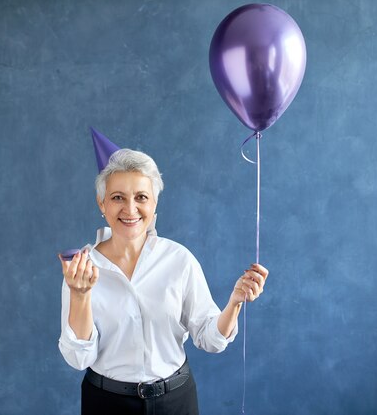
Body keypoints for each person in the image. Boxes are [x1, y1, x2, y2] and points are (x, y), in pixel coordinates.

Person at [58, 139, 269, 415]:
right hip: (107, 403)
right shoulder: (81, 269)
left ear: (154, 203)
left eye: (141, 197)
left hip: (175, 401)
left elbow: (210, 339)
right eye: (118, 197)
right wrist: (81, 295)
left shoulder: (179, 260)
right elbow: (79, 357)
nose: (130, 209)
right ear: (102, 203)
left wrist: (235, 302)